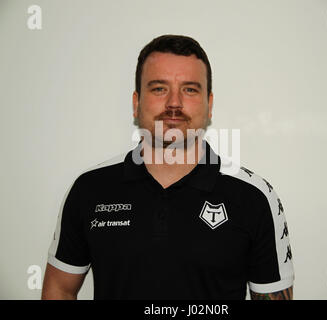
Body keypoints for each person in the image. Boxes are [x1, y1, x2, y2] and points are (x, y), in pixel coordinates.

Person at [42, 34, 294, 300]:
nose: (174, 103)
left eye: (189, 89)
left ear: (209, 105)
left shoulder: (254, 197)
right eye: (159, 88)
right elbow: (59, 289)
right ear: (136, 103)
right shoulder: (90, 189)